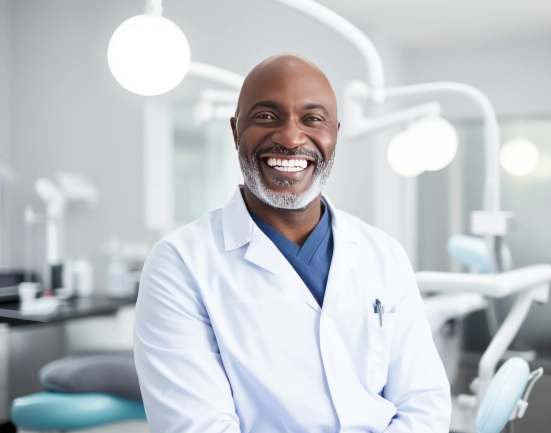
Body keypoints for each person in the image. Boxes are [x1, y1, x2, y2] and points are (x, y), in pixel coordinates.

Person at [134, 54, 451, 432]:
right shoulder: (180, 263)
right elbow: (197, 426)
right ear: (236, 131)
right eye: (266, 117)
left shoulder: (383, 253)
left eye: (312, 119)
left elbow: (423, 401)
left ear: (335, 133)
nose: (290, 138)